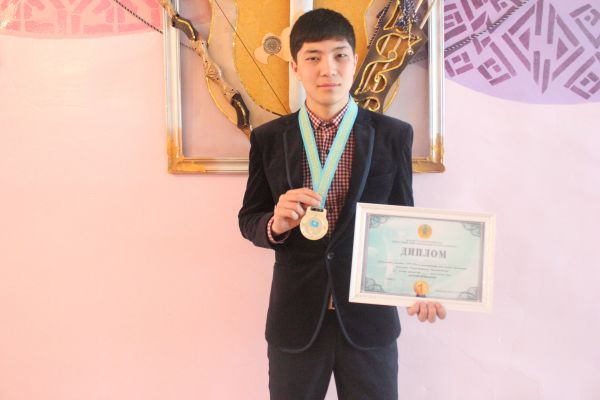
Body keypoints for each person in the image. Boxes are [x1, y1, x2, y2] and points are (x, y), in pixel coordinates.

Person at [238, 8, 446, 400]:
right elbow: (249, 218)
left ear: (355, 60)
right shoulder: (269, 139)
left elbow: (403, 222)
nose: (327, 69)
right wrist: (274, 224)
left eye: (339, 55)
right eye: (313, 57)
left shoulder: (392, 135)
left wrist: (422, 284)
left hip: (368, 320)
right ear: (295, 67)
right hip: (296, 319)